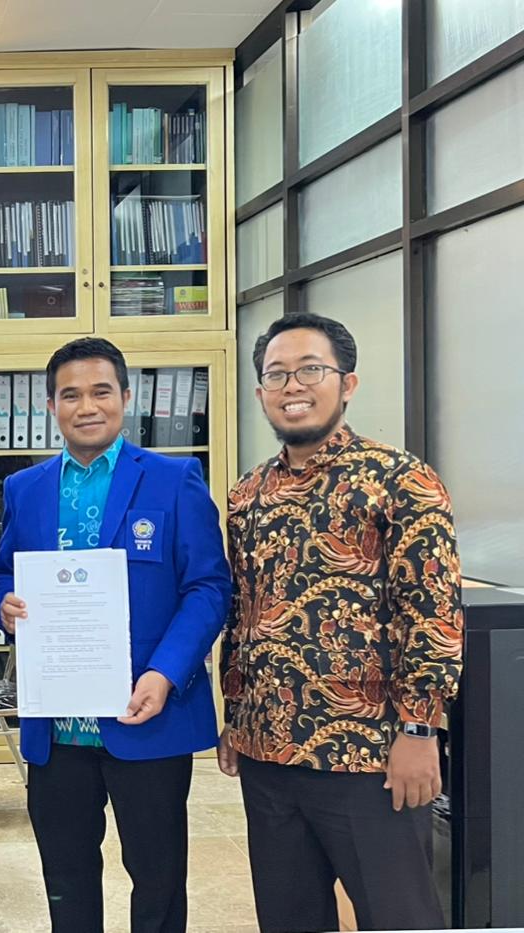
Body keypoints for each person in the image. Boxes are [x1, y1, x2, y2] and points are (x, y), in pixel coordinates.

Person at [219, 312, 463, 932]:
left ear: (347, 383)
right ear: (260, 392)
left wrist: (421, 729)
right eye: (277, 374)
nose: (292, 386)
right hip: (269, 755)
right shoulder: (248, 494)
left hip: (370, 757)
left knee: (400, 917)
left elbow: (433, 613)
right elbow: (242, 616)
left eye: (310, 370)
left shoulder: (401, 480)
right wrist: (235, 718)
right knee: (289, 918)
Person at [0, 337, 230, 933]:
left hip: (145, 713)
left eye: (101, 391)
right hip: (57, 725)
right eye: (71, 395)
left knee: (158, 879)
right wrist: (4, 604)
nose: (87, 406)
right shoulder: (26, 488)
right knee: (66, 879)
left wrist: (165, 673)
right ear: (51, 406)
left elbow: (208, 587)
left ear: (126, 396)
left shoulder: (175, 479)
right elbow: (3, 571)